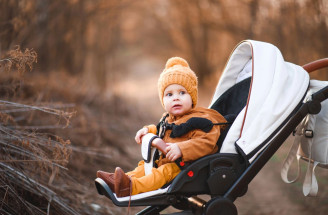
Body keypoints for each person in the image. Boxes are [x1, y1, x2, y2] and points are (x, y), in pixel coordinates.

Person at [97, 57, 227, 197]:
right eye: (169, 94)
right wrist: (148, 130)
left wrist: (181, 149)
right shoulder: (168, 118)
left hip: (185, 166)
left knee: (161, 173)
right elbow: (161, 129)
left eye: (182, 93)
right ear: (163, 100)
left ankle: (130, 187)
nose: (176, 98)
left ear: (192, 97)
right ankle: (118, 181)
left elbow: (206, 143)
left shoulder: (201, 120)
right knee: (144, 167)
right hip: (165, 160)